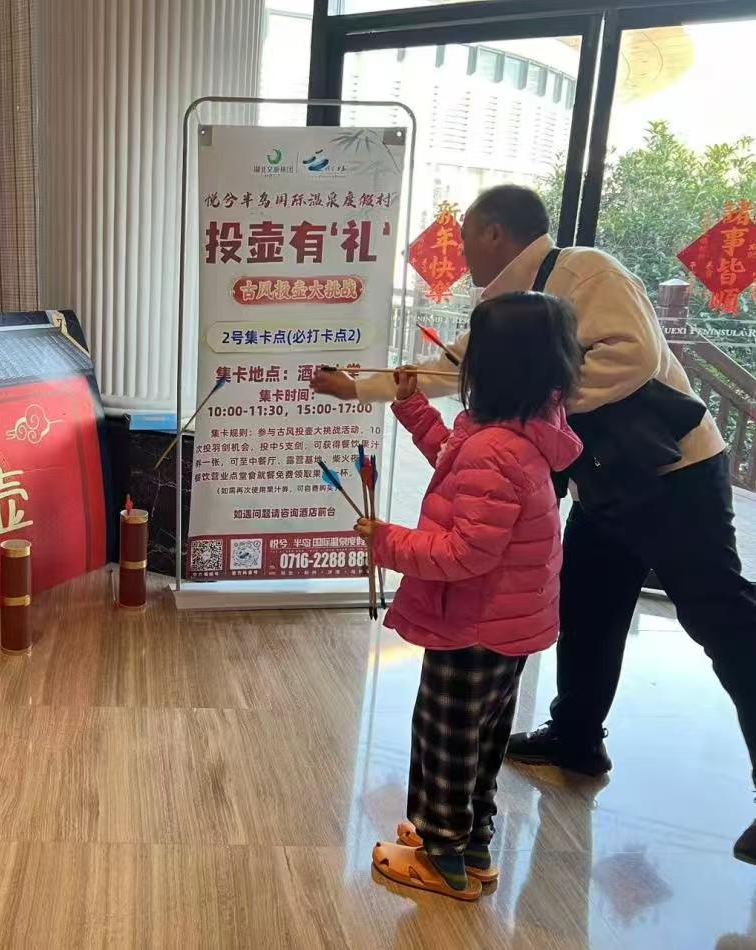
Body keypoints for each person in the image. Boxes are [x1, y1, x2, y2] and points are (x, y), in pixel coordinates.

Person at [313, 184, 756, 864]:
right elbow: (452, 368)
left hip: (675, 473)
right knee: (587, 606)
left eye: (465, 231)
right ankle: (575, 737)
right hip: (602, 474)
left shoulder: (585, 272)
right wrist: (363, 387)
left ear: (493, 231)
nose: (458, 248)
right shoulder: (511, 311)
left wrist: (525, 401)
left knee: (721, 619)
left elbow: (632, 357)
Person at [359, 292, 582, 901]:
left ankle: (442, 855)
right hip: (509, 624)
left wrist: (388, 542)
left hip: (472, 625)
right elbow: (453, 460)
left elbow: (464, 554)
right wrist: (412, 407)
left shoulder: (493, 447)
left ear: (490, 368)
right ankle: (472, 843)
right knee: (481, 737)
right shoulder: (525, 431)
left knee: (447, 737)